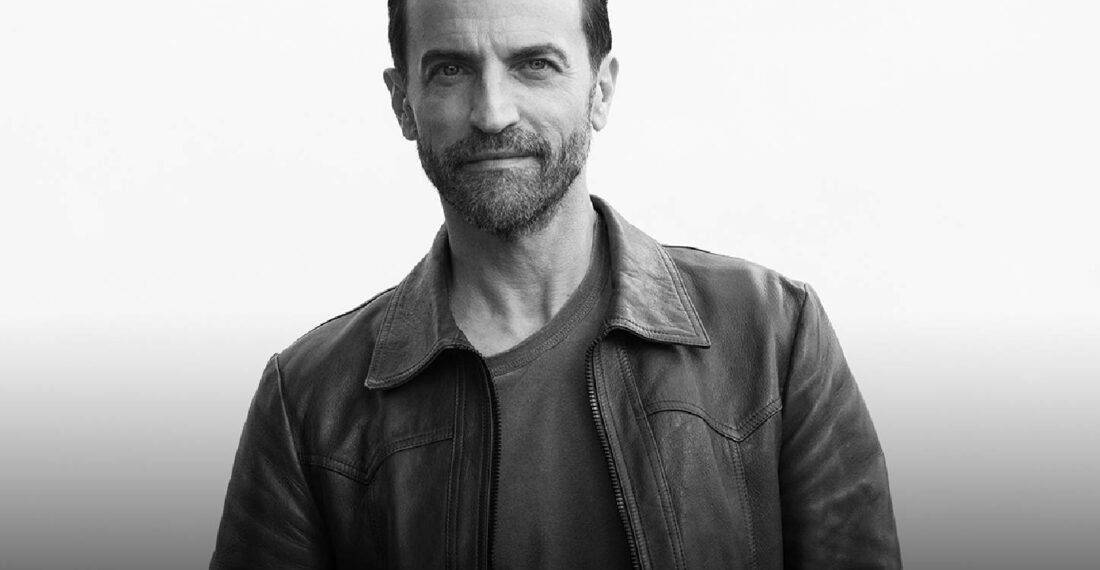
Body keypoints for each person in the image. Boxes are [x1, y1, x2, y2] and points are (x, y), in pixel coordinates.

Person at [210, 0, 901, 566]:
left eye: (534, 65)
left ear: (601, 90)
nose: (493, 112)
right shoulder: (309, 404)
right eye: (450, 70)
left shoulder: (775, 336)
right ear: (403, 103)